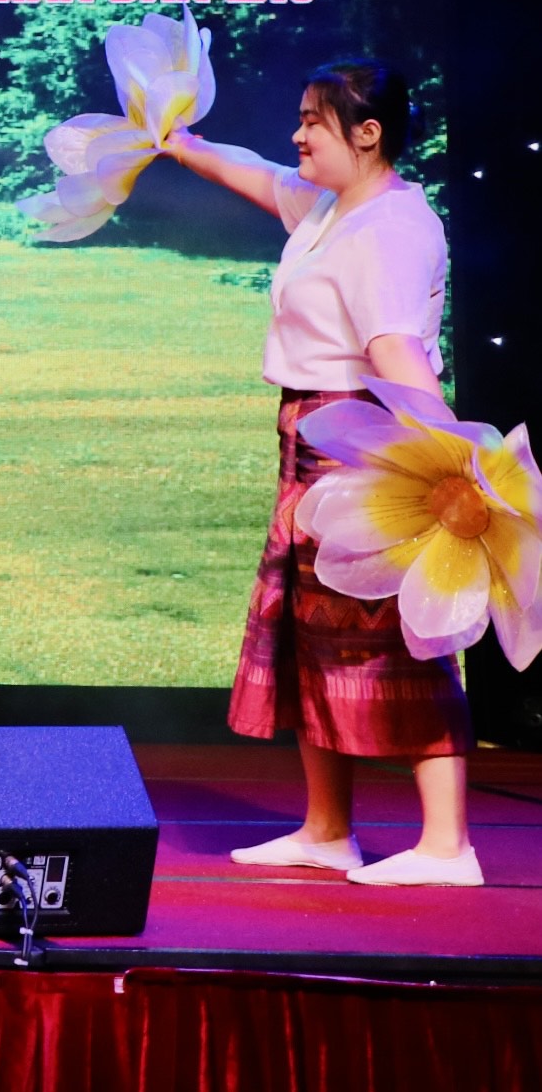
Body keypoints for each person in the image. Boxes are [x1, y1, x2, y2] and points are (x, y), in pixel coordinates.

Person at [156, 56, 478, 887]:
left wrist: (446, 466)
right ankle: (326, 828)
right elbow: (261, 178)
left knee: (391, 631)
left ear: (366, 133)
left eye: (313, 119)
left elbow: (395, 350)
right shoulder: (334, 210)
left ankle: (446, 844)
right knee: (311, 627)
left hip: (366, 433)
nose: (295, 133)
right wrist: (178, 142)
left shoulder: (391, 229)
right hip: (310, 430)